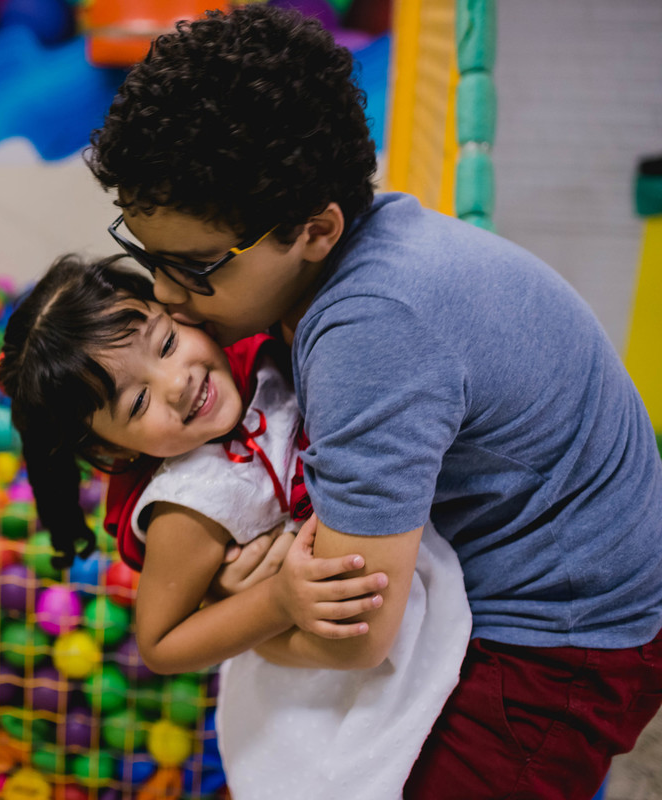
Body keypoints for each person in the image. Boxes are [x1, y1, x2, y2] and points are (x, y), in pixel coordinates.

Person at [84, 4, 662, 798]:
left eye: (196, 266)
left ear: (315, 229)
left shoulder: (371, 332)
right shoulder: (362, 252)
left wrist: (242, 603)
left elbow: (355, 639)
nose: (166, 296)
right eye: (150, 259)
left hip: (564, 642)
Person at [0, 254, 472, 799]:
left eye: (167, 344)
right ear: (111, 447)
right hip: (316, 686)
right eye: (140, 400)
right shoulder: (189, 502)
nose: (177, 383)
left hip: (404, 591)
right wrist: (277, 603)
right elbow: (159, 643)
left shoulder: (258, 357)